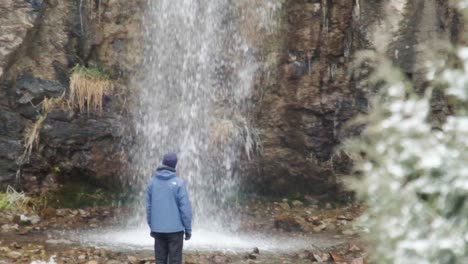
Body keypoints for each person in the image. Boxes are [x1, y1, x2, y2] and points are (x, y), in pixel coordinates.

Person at [145, 152, 193, 264]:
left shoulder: (152, 182)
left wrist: (152, 225)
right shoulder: (179, 183)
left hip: (158, 229)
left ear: (163, 162)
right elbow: (185, 209)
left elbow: (148, 207)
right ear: (174, 165)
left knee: (160, 260)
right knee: (175, 260)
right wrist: (188, 229)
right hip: (175, 231)